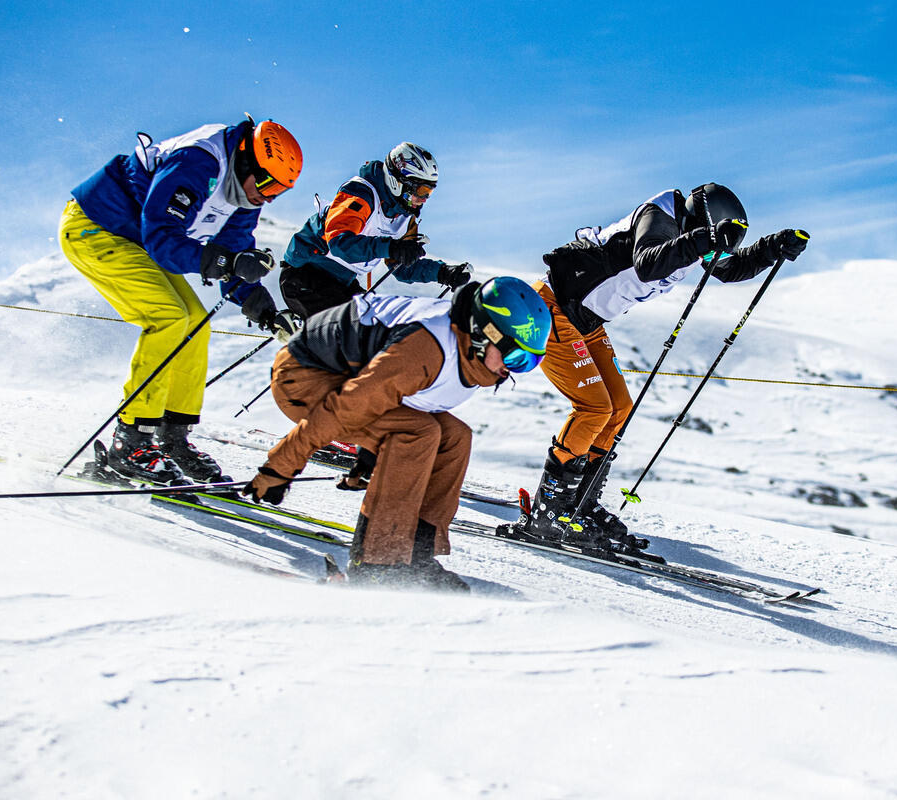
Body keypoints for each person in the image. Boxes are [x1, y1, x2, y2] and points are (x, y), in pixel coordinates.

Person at [517, 183, 809, 548]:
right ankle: (549, 511)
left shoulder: (691, 237)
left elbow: (730, 269)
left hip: (587, 322)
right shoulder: (659, 216)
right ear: (700, 219)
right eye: (710, 235)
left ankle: (581, 505)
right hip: (551, 310)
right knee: (595, 408)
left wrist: (771, 248)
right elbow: (649, 263)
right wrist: (706, 238)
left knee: (620, 408)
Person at [243, 277, 552, 591]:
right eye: (516, 357)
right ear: (485, 334)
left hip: (351, 381)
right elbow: (348, 407)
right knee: (419, 432)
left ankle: (416, 556)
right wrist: (279, 467)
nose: (514, 370)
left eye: (531, 362)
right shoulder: (426, 350)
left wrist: (370, 458)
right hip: (303, 378)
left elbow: (393, 396)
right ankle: (378, 563)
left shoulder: (465, 352)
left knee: (455, 438)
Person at [59, 116, 303, 483]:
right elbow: (162, 238)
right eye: (267, 183)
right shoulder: (197, 162)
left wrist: (264, 310)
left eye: (279, 192)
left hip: (137, 242)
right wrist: (228, 262)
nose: (266, 196)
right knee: (169, 317)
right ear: (246, 159)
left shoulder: (245, 195)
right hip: (96, 227)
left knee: (196, 325)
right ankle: (131, 440)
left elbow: (235, 252)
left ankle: (170, 438)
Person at [278, 142, 473, 320]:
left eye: (429, 193)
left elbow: (403, 267)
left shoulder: (404, 218)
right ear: (399, 181)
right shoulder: (361, 193)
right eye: (421, 191)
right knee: (354, 334)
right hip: (305, 275)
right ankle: (308, 343)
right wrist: (391, 247)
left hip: (340, 283)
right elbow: (340, 244)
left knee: (377, 328)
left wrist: (443, 273)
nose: (424, 199)